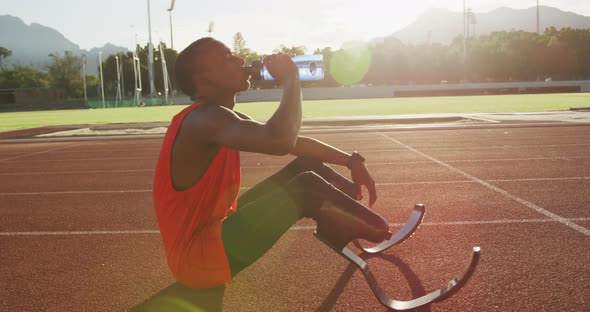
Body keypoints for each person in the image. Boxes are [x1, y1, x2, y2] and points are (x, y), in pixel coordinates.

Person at [153, 37, 390, 290]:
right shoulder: (202, 119)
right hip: (196, 260)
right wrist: (290, 79)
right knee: (305, 187)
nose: (241, 60)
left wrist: (350, 161)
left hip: (216, 231)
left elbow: (295, 143)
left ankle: (348, 214)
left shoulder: (216, 116)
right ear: (203, 77)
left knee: (306, 165)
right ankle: (379, 229)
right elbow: (280, 140)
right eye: (227, 57)